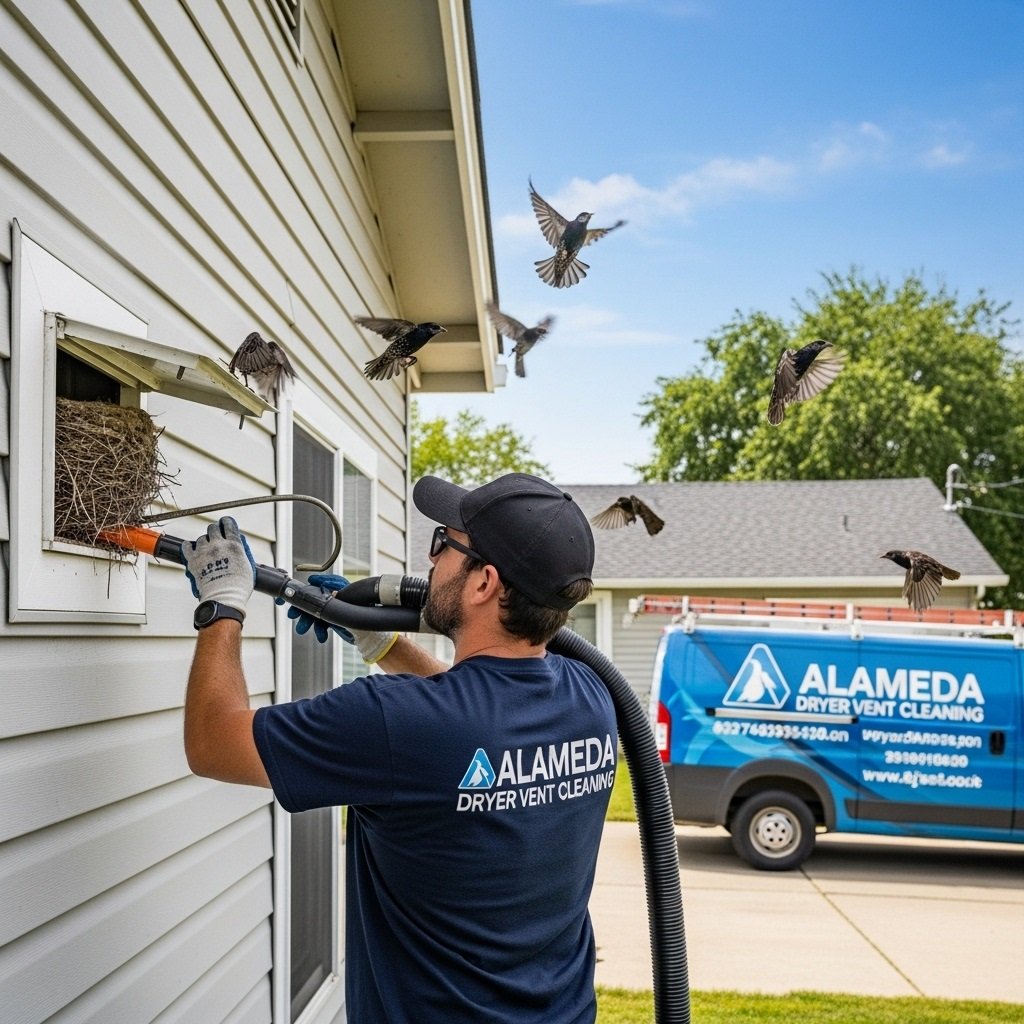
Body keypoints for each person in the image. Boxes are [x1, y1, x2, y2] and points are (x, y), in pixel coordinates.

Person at [181, 472, 618, 1023]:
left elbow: (211, 742)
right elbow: (471, 719)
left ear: (484, 583)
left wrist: (222, 606)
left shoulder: (391, 721)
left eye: (443, 545)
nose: (430, 562)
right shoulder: (593, 697)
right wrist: (383, 642)